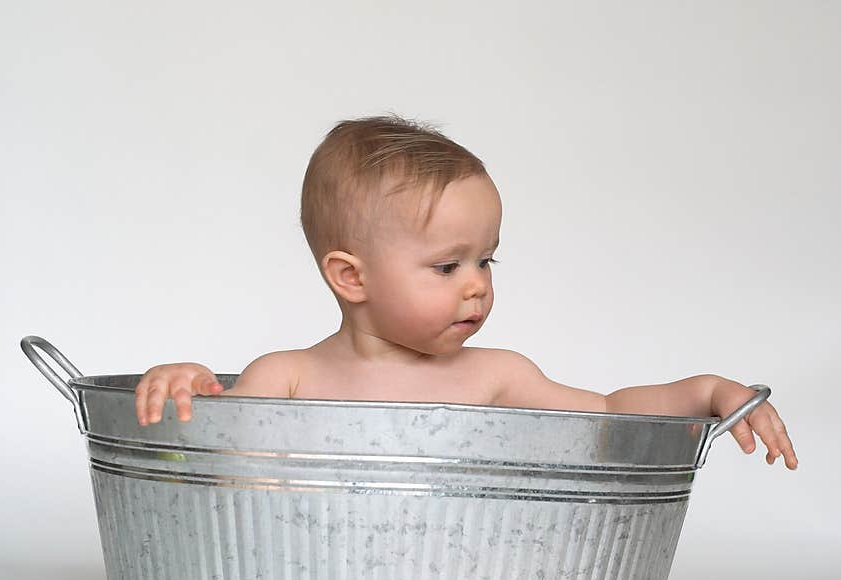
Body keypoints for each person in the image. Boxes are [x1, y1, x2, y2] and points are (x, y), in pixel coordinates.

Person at [134, 114, 798, 470]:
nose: (478, 284)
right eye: (447, 267)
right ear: (351, 277)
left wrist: (708, 393)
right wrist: (188, 387)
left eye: (486, 259)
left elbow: (611, 415)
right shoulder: (287, 378)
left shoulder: (495, 378)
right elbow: (206, 471)